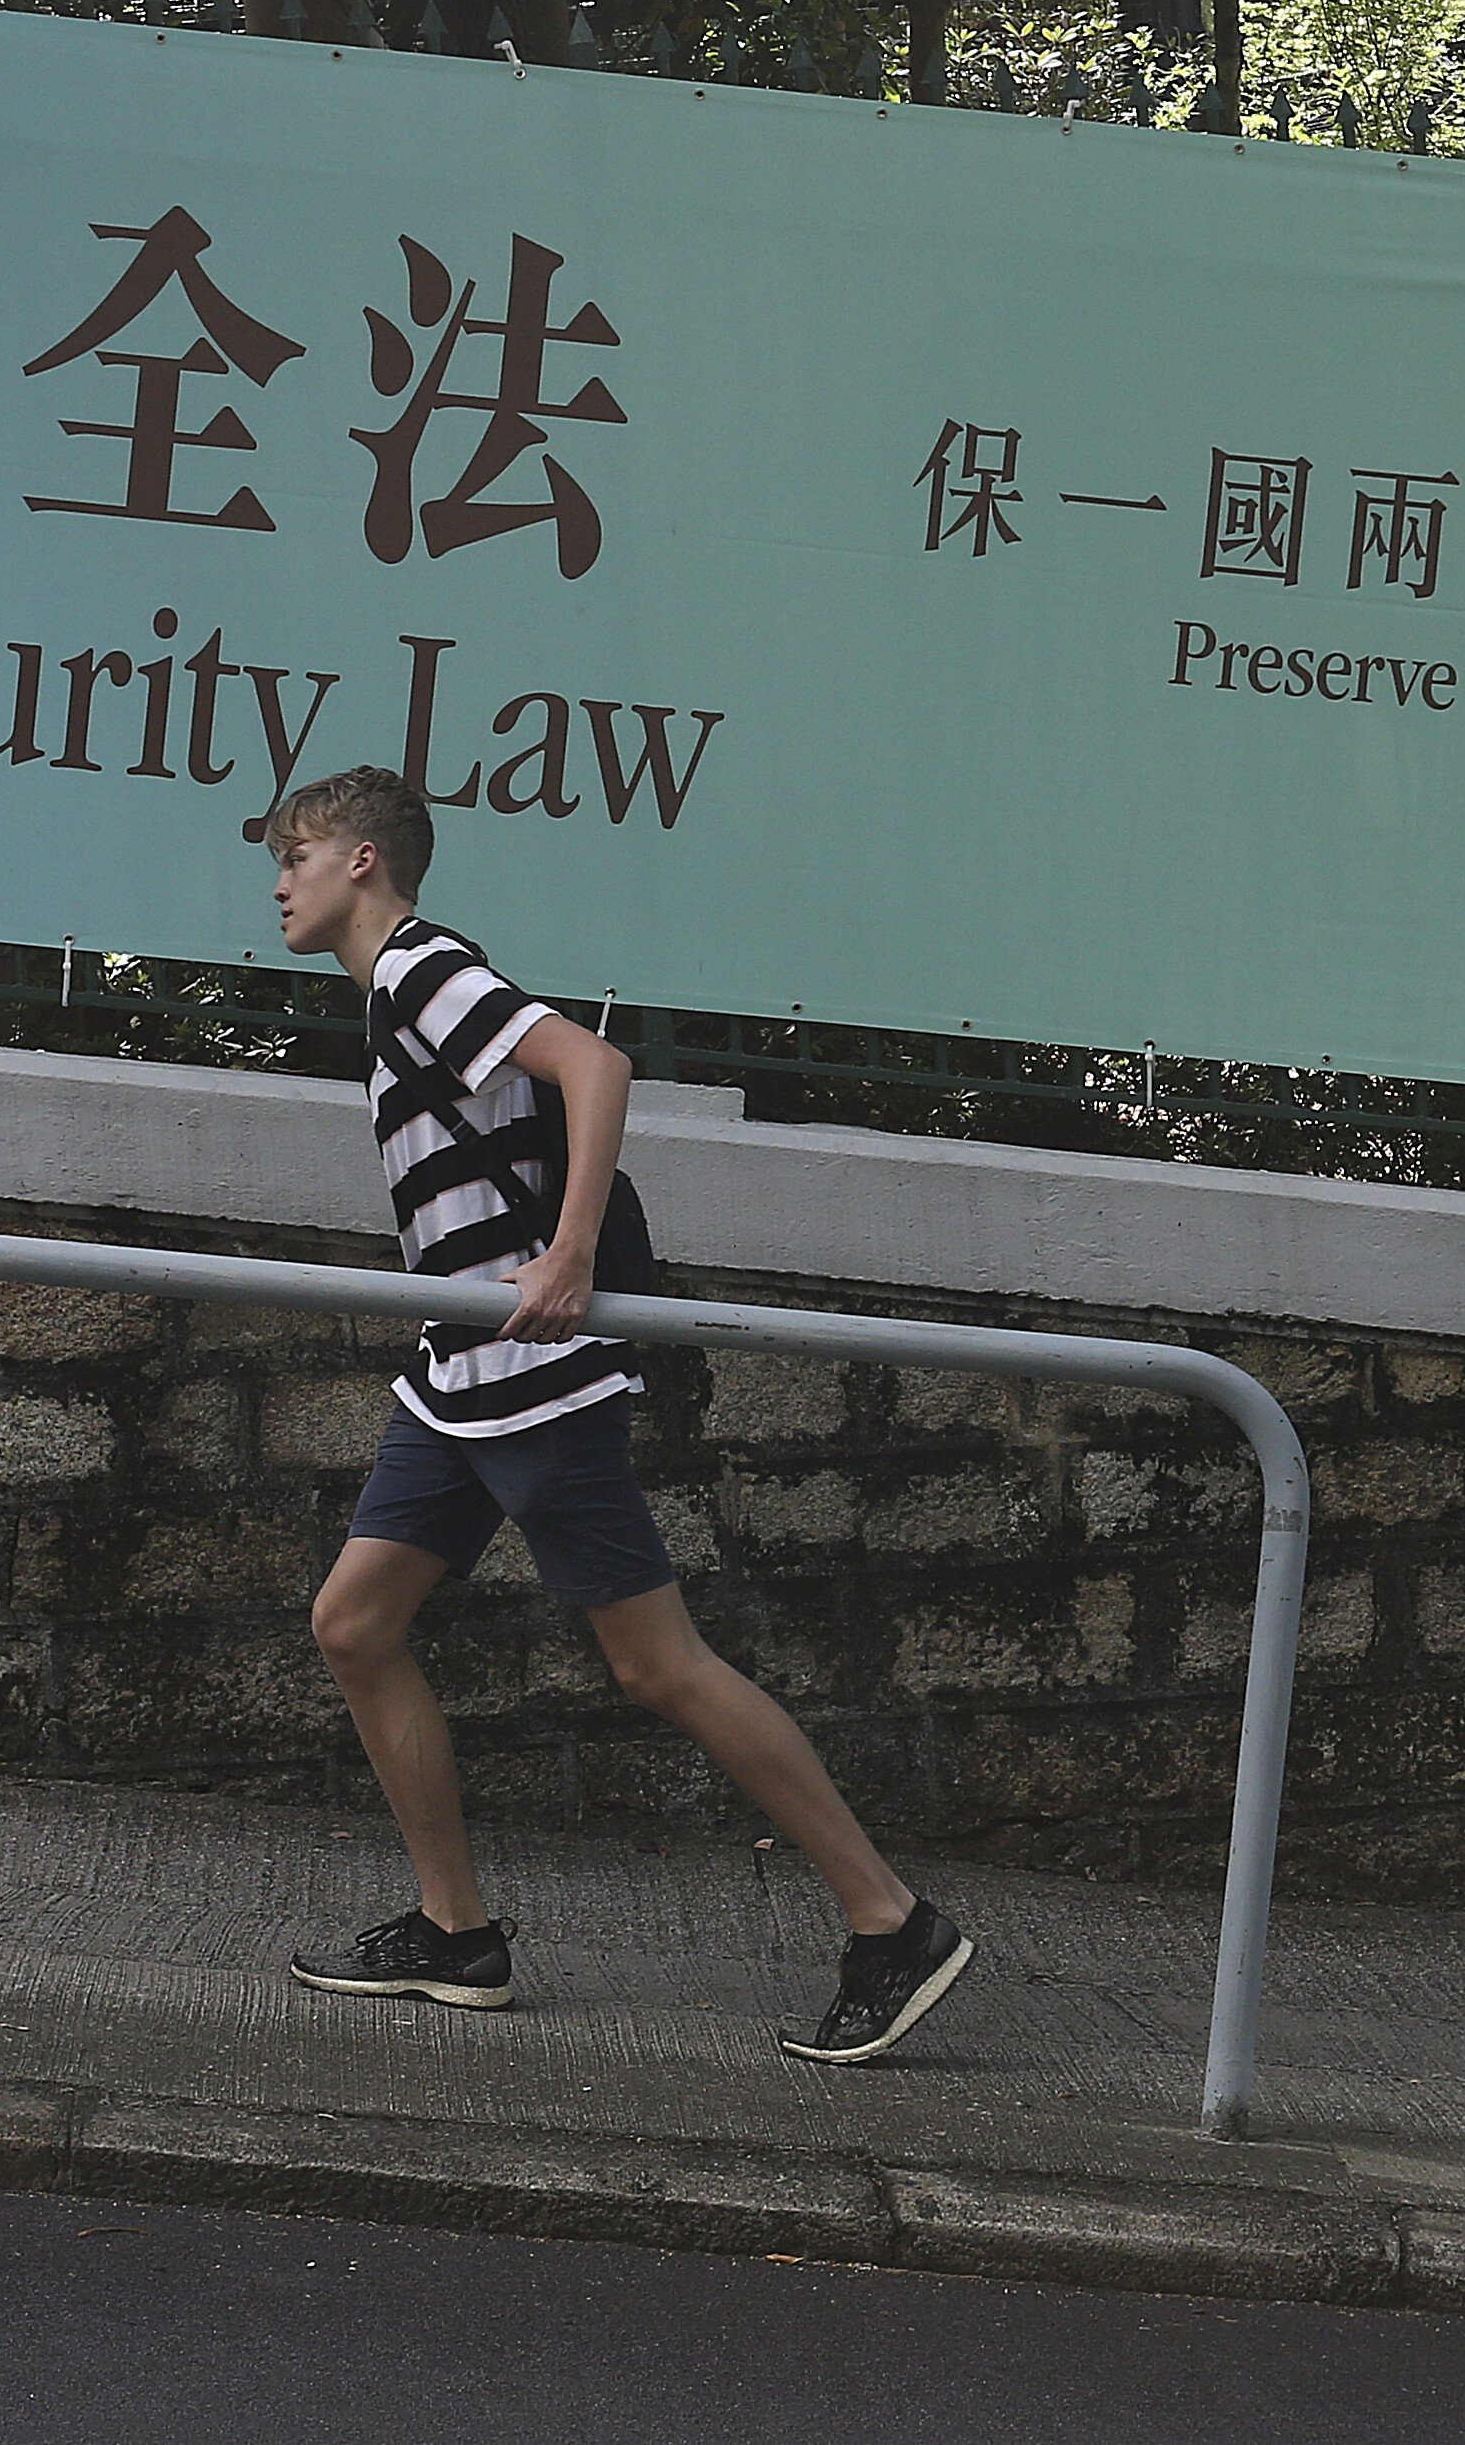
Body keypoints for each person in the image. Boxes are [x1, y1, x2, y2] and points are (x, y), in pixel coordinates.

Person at [258, 765, 974, 2065]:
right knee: (353, 1623)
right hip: (462, 1369)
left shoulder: (420, 969)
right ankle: (454, 1932)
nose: (276, 882)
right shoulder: (392, 1000)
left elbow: (591, 1062)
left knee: (657, 1666)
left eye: (292, 856)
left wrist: (570, 1253)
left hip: (530, 1371)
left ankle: (890, 1922)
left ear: (360, 860)